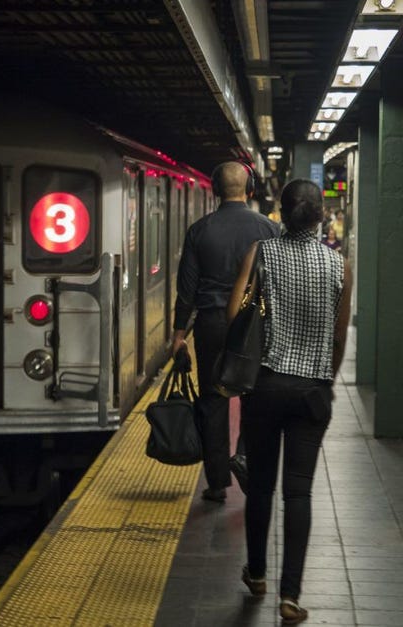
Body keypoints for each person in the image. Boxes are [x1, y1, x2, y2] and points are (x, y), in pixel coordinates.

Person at [231, 179, 352, 625]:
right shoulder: (339, 265)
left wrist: (264, 306)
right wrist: (327, 378)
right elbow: (339, 335)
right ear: (320, 215)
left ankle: (257, 574)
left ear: (282, 212)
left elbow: (234, 313)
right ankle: (290, 597)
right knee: (298, 491)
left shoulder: (261, 253)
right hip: (312, 391)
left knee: (261, 485)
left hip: (265, 385)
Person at [172, 161, 280, 502]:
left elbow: (186, 289)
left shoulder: (199, 230)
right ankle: (245, 456)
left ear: (215, 191)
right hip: (255, 322)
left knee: (213, 400)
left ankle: (217, 483)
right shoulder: (270, 230)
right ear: (249, 191)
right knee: (255, 395)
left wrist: (178, 335)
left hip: (212, 324)